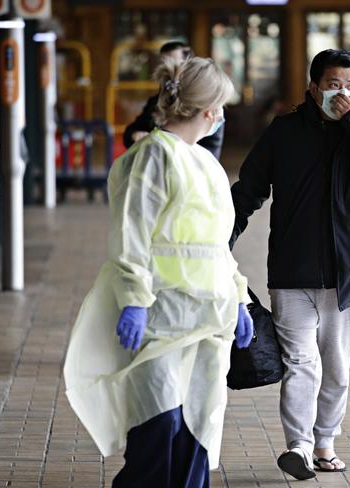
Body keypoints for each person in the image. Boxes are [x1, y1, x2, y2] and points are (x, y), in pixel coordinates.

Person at [64, 56, 254, 488]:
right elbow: (131, 234)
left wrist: (238, 297)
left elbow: (215, 243)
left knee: (198, 429)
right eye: (221, 106)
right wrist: (134, 300)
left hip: (208, 318)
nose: (222, 115)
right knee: (158, 424)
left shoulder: (205, 163)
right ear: (208, 111)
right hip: (160, 315)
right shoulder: (153, 156)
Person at [230, 49, 350, 480]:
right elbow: (250, 188)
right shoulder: (285, 132)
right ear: (313, 88)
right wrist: (221, 237)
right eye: (333, 85)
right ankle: (300, 446)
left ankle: (325, 440)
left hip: (347, 277)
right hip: (293, 273)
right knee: (301, 364)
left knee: (337, 368)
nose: (342, 93)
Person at [122, 41, 225, 160]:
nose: (170, 69)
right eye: (163, 64)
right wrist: (135, 135)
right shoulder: (156, 102)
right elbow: (131, 131)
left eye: (175, 63)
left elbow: (212, 151)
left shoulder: (206, 105)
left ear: (189, 66)